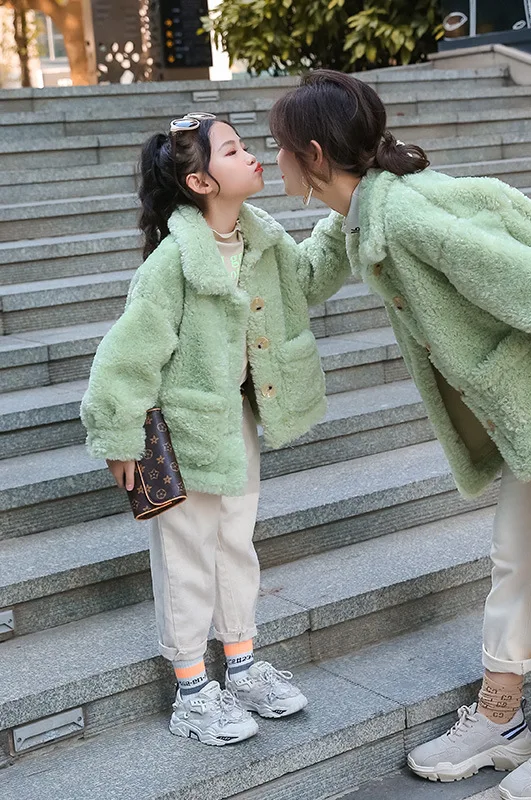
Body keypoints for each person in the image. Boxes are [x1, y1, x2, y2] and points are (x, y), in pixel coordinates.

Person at [267, 71, 531, 798]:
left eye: (278, 148)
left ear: (314, 155)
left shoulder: (409, 216)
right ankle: (500, 718)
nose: (273, 161)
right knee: (516, 557)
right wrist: (220, 222)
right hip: (527, 406)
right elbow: (298, 279)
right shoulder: (360, 216)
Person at [80, 112, 349, 746]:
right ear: (201, 182)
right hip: (182, 433)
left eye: (245, 146)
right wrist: (119, 435)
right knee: (187, 556)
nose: (252, 156)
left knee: (235, 543)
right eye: (233, 150)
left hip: (237, 423)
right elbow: (127, 355)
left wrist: (348, 210)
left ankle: (243, 666)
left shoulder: (262, 241)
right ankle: (193, 690)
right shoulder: (173, 262)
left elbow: (309, 276)